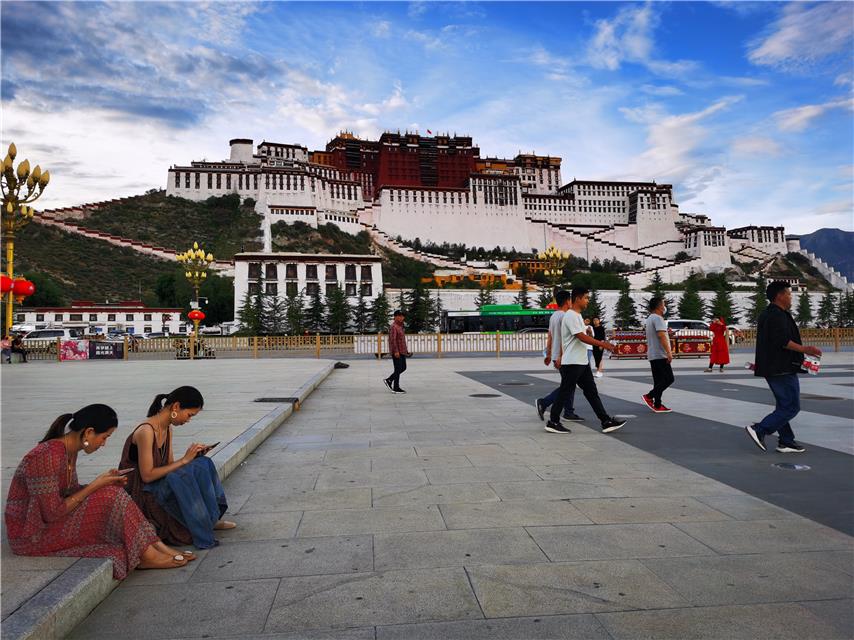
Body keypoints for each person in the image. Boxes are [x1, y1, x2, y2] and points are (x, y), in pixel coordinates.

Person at [4, 404, 189, 579]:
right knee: (110, 495)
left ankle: (155, 546)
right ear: (89, 432)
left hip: (50, 519)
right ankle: (149, 554)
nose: (103, 444)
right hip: (32, 534)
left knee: (112, 491)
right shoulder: (46, 456)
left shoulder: (67, 450)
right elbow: (51, 513)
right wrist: (96, 484)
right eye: (104, 437)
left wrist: (105, 482)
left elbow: (69, 491)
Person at [119, 386, 233, 549]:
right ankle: (202, 522)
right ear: (176, 407)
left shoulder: (167, 429)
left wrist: (192, 458)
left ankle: (210, 518)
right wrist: (184, 460)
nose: (188, 420)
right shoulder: (146, 431)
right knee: (184, 472)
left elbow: (169, 467)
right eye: (189, 415)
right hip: (144, 493)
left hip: (158, 484)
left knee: (202, 463)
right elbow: (147, 476)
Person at [746, 281, 820, 454]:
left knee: (783, 406)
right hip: (781, 367)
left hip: (774, 366)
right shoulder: (777, 315)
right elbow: (782, 341)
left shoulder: (769, 313)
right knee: (791, 407)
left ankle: (786, 441)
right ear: (779, 296)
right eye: (788, 294)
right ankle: (760, 429)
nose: (790, 297)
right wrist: (805, 349)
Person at [547, 287, 627, 435]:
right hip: (572, 362)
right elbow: (580, 336)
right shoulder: (571, 315)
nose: (587, 301)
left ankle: (605, 421)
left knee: (591, 392)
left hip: (581, 362)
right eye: (586, 298)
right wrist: (603, 344)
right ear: (577, 299)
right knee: (565, 391)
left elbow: (581, 337)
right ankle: (553, 421)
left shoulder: (577, 315)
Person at [535, 290, 580, 423]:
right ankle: (544, 402)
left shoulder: (554, 316)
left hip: (557, 354)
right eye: (570, 300)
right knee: (568, 385)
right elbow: (563, 339)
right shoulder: (565, 316)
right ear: (567, 301)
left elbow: (550, 336)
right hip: (564, 355)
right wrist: (561, 356)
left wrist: (549, 354)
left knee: (569, 384)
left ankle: (568, 411)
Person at [642, 297, 674, 413]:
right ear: (659, 306)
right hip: (660, 354)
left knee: (658, 381)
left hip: (653, 353)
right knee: (669, 379)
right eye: (663, 304)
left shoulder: (650, 318)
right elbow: (661, 335)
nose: (665, 307)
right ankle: (649, 396)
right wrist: (668, 352)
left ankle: (657, 404)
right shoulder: (658, 318)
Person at [383, 310, 411, 394]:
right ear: (395, 317)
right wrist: (395, 351)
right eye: (400, 316)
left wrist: (406, 351)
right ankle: (396, 387)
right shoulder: (393, 326)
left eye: (403, 316)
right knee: (398, 368)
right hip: (397, 351)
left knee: (403, 367)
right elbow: (393, 340)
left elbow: (402, 340)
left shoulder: (401, 326)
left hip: (402, 351)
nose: (402, 318)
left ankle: (389, 380)